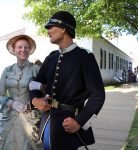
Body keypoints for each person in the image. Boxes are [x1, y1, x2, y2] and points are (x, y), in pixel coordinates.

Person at [29, 11, 105, 150]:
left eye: (51, 26)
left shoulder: (84, 57)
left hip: (68, 122)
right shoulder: (51, 57)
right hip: (48, 120)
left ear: (64, 29)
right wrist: (35, 100)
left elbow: (98, 95)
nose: (48, 31)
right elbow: (36, 83)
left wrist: (79, 122)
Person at [0, 35, 43, 150]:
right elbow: (0, 95)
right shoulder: (7, 70)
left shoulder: (36, 69)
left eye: (26, 47)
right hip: (10, 116)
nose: (23, 50)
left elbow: (46, 91)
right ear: (14, 50)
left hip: (31, 116)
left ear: (30, 50)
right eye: (19, 47)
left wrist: (41, 87)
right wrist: (12, 103)